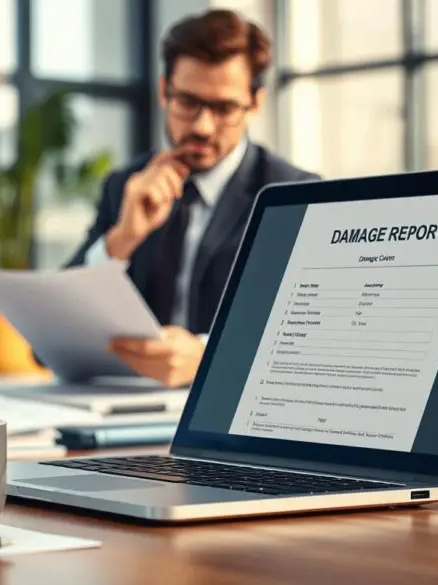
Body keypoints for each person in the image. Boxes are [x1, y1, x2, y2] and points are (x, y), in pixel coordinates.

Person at [65, 9, 320, 387]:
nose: (202, 126)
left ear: (255, 102)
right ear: (163, 90)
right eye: (188, 101)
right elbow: (54, 338)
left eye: (224, 108)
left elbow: (313, 339)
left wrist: (207, 356)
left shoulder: (296, 196)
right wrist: (121, 240)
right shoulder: (124, 186)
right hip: (125, 413)